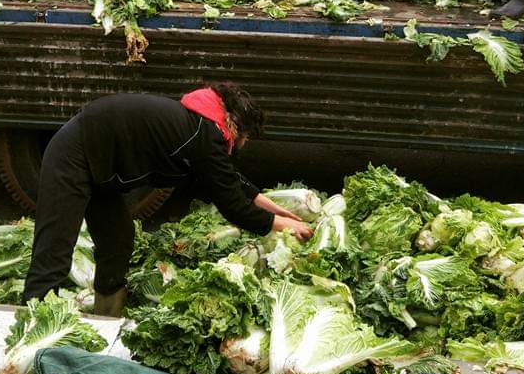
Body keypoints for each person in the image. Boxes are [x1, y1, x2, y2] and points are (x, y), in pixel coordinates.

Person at [20, 83, 313, 316]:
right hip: (73, 155)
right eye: (247, 137)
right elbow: (234, 208)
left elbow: (228, 179)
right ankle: (35, 330)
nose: (244, 145)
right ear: (235, 125)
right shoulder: (205, 135)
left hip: (102, 168)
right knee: (54, 252)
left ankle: (105, 318)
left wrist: (275, 208)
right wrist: (287, 227)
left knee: (117, 241)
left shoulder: (203, 125)